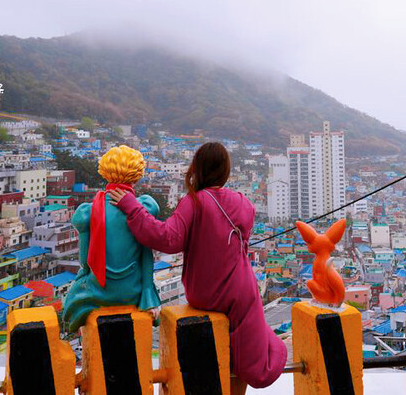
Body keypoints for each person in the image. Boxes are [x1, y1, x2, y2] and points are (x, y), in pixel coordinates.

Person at [109, 142, 287, 394]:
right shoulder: (243, 203)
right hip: (243, 290)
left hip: (205, 294)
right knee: (250, 352)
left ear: (197, 168)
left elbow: (167, 239)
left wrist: (132, 207)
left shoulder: (195, 202)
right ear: (225, 171)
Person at [62, 145, 161, 332]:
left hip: (99, 292)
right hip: (133, 292)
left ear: (104, 171)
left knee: (72, 299)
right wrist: (148, 292)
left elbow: (85, 262)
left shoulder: (88, 212)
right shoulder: (143, 208)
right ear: (137, 174)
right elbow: (146, 257)